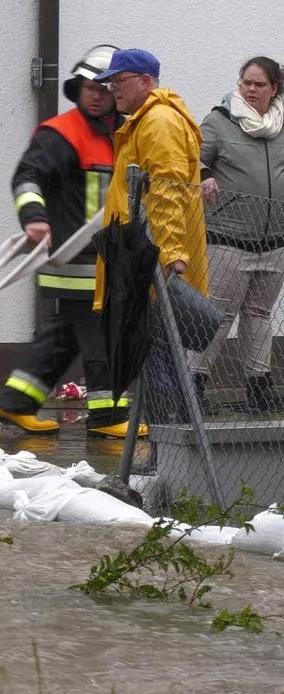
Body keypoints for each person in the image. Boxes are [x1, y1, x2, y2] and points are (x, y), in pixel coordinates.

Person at [0, 45, 140, 438]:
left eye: (103, 89)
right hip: (77, 260)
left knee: (63, 338)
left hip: (108, 260)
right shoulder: (61, 134)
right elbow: (27, 179)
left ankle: (17, 402)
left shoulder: (126, 132)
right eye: (87, 87)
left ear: (117, 91)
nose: (94, 95)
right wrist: (34, 219)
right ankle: (108, 418)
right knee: (103, 335)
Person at [93, 49, 209, 423]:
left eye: (119, 81)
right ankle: (174, 449)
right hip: (143, 257)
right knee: (161, 354)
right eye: (110, 82)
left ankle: (165, 451)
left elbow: (166, 191)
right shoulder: (143, 121)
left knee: (155, 355)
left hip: (153, 263)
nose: (113, 90)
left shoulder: (157, 121)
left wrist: (172, 252)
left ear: (146, 81)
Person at [191, 56, 284, 413]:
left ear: (274, 89)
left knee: (259, 313)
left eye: (259, 84)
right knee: (218, 315)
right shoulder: (219, 120)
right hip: (228, 238)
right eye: (246, 82)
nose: (251, 89)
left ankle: (259, 387)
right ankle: (195, 384)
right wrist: (203, 175)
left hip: (275, 240)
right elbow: (193, 155)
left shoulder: (281, 124)